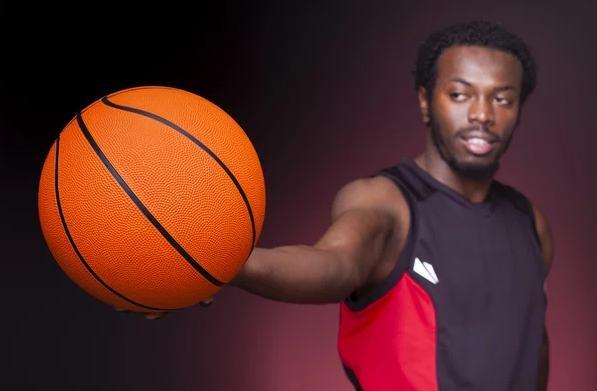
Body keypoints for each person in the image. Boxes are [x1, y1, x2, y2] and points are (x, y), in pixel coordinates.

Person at [132, 20, 553, 390]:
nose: (482, 114)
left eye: (502, 98)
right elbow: (334, 265)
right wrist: (222, 264)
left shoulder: (529, 222)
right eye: (460, 94)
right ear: (426, 101)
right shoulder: (387, 200)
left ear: (518, 110)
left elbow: (531, 343)